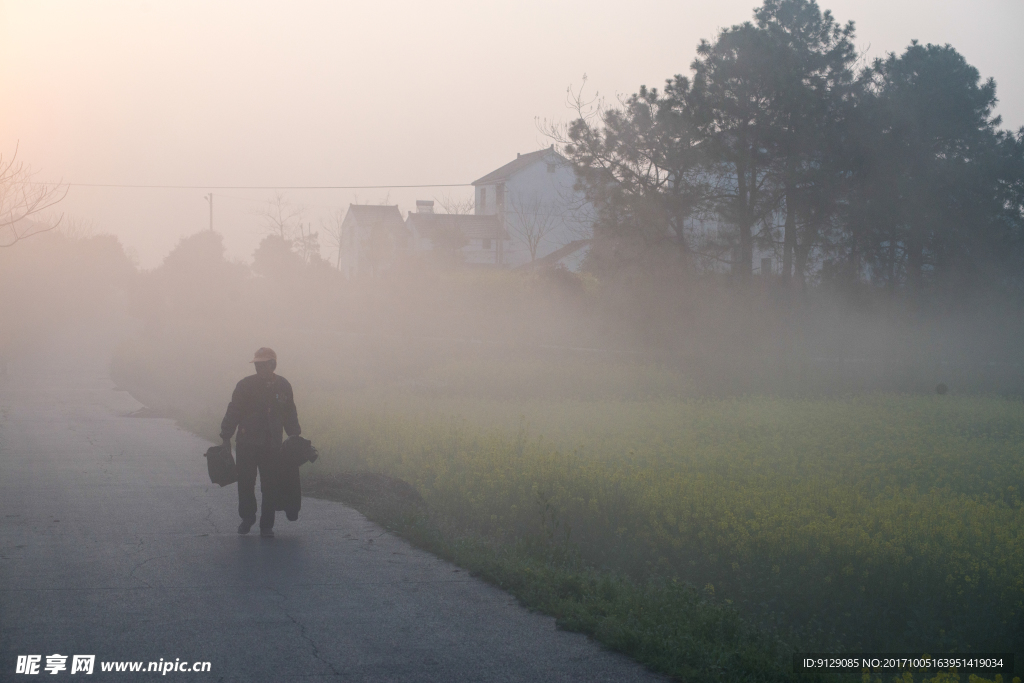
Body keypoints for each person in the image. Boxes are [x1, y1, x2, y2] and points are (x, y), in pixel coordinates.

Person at [220, 347, 301, 538]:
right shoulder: (245, 385)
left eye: (263, 364)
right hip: (246, 443)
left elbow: (290, 413)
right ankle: (247, 518)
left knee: (270, 485)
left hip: (272, 444)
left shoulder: (283, 386)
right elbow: (234, 411)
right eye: (257, 364)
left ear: (272, 364)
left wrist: (295, 435)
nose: (258, 368)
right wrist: (225, 436)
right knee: (246, 482)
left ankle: (267, 525)